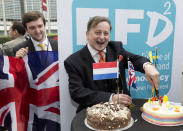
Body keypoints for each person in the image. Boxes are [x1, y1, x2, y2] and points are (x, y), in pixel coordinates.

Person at [64, 16, 159, 113]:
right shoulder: (73, 61)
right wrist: (110, 98)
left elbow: (134, 59)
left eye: (106, 33)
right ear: (87, 34)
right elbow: (77, 92)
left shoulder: (116, 49)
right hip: (92, 114)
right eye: (97, 32)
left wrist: (147, 66)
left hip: (122, 112)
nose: (102, 37)